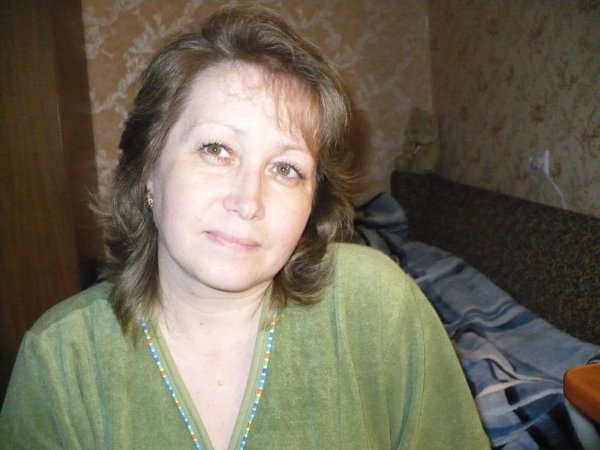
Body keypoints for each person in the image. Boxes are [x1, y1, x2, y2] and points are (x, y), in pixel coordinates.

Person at [0, 5, 489, 449]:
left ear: (312, 203)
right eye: (216, 150)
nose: (248, 202)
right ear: (149, 168)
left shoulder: (376, 305)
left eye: (286, 169)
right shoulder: (60, 360)